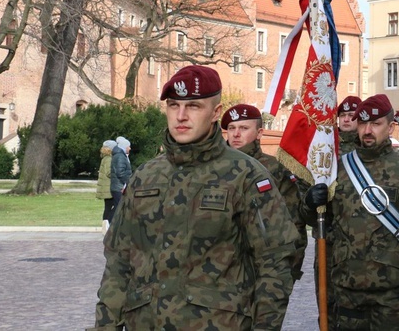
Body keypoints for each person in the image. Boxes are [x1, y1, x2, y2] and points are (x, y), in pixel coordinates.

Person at [92, 65, 299, 330]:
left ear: (215, 112)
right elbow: (119, 262)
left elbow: (275, 263)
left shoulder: (245, 176)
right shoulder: (146, 176)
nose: (181, 116)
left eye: (193, 106)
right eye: (173, 105)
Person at [301, 94, 399, 330]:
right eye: (363, 123)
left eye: (376, 124)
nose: (368, 130)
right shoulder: (337, 170)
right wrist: (309, 203)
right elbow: (318, 222)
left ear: (390, 128)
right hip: (348, 287)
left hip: (395, 291)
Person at [222, 103, 307, 282]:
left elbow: (294, 222)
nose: (236, 134)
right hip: (221, 270)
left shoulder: (275, 169)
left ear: (260, 133)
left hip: (263, 268)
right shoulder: (213, 167)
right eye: (231, 128)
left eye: (244, 128)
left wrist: (290, 270)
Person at [108, 136, 132, 223]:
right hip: (119, 187)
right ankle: (109, 223)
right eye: (128, 146)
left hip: (118, 186)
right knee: (119, 208)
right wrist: (128, 182)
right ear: (124, 147)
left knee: (119, 207)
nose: (130, 148)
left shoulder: (120, 155)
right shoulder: (120, 156)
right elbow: (120, 173)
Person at [95, 140, 116, 234]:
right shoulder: (109, 159)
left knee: (108, 207)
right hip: (108, 187)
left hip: (105, 187)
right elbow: (109, 172)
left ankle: (105, 224)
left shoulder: (105, 158)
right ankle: (107, 224)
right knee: (114, 205)